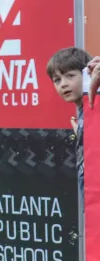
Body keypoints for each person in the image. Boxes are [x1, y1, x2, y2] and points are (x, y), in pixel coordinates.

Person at [46, 47, 92, 208]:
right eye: (57, 80)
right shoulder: (84, 115)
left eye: (70, 76)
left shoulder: (95, 111)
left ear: (87, 75)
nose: (63, 84)